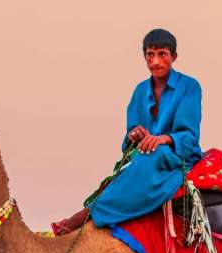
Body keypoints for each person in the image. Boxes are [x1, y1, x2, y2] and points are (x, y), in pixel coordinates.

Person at [86, 28, 204, 228]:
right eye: (150, 55)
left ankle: (94, 213)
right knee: (132, 164)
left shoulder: (190, 87)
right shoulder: (140, 90)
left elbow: (189, 138)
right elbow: (129, 139)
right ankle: (99, 209)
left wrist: (162, 139)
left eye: (162, 54)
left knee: (152, 156)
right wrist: (134, 134)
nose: (156, 61)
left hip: (175, 155)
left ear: (174, 57)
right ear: (145, 57)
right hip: (143, 154)